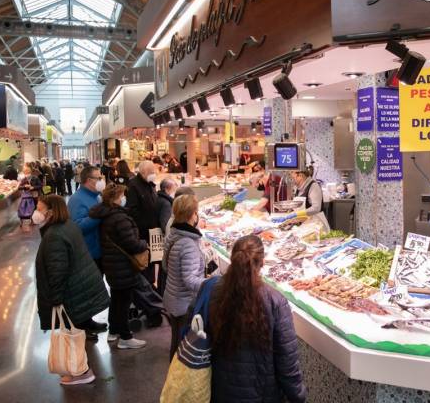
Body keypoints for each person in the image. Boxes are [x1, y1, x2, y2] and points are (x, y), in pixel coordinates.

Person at [208, 235, 306, 402]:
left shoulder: (213, 291)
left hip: (221, 392)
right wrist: (299, 397)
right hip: (262, 395)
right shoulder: (276, 302)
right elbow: (288, 365)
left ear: (233, 259)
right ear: (262, 263)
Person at [33, 195, 110, 385]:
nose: (36, 212)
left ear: (50, 212)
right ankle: (79, 368)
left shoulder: (54, 236)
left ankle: (81, 371)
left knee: (70, 336)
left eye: (39, 208)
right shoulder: (67, 226)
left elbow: (57, 272)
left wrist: (56, 300)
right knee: (75, 334)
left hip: (71, 293)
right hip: (80, 288)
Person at [89, 185, 148, 349]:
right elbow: (130, 243)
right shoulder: (119, 218)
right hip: (122, 265)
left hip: (112, 264)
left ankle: (113, 331)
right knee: (123, 302)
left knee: (116, 299)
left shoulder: (106, 214)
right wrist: (144, 244)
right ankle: (125, 337)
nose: (125, 198)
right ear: (116, 198)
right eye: (123, 195)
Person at [163, 194, 205, 361]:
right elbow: (190, 280)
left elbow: (166, 265)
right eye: (196, 212)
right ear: (192, 215)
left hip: (173, 299)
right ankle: (179, 380)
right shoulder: (187, 242)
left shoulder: (174, 234)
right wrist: (212, 283)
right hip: (184, 304)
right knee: (184, 347)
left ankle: (174, 374)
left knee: (176, 341)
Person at [68, 166, 106, 273]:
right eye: (98, 178)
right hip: (88, 255)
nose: (101, 181)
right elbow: (77, 226)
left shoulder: (97, 196)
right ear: (89, 180)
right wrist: (99, 216)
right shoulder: (76, 199)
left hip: (100, 252)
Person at [126, 161, 160, 240]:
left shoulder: (149, 183)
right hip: (142, 230)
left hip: (153, 227)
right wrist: (145, 224)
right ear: (143, 172)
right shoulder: (133, 185)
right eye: (151, 172)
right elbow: (132, 209)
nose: (153, 174)